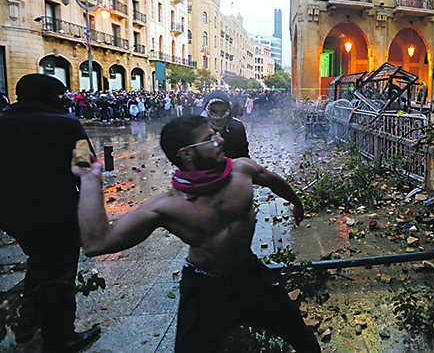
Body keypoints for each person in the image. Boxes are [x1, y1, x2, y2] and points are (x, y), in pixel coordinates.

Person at [72, 115, 321, 353]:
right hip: (206, 289)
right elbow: (97, 243)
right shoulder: (167, 206)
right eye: (210, 138)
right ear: (187, 153)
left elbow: (273, 181)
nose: (221, 140)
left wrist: (296, 203)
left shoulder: (242, 170)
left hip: (249, 275)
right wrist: (91, 180)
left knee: (305, 340)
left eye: (217, 134)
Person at [0, 74, 100, 352]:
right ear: (46, 95)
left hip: (13, 215)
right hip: (58, 215)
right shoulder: (65, 122)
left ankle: (27, 324)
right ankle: (59, 336)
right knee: (60, 275)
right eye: (60, 94)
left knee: (40, 262)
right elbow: (84, 166)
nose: (64, 99)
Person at [200, 90, 249, 159]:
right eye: (214, 112)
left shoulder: (237, 126)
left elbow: (243, 154)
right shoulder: (200, 127)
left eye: (223, 111)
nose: (219, 115)